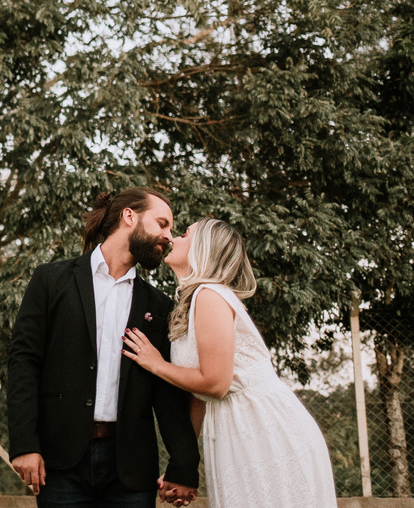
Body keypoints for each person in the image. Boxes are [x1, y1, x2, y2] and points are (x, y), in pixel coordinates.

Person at [121, 217, 337, 508]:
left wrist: (156, 364)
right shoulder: (192, 300)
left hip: (263, 429)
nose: (174, 238)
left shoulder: (210, 295)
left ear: (203, 248)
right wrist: (182, 465)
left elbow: (215, 384)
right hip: (230, 427)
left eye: (185, 234)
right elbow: (200, 394)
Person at [7, 188, 200, 507]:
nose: (168, 236)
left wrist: (184, 466)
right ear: (129, 216)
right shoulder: (51, 280)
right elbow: (23, 362)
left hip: (131, 470)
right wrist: (24, 444)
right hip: (60, 462)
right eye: (162, 224)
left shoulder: (159, 305)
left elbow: (167, 392)